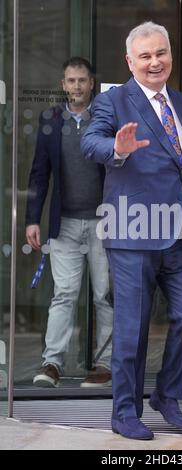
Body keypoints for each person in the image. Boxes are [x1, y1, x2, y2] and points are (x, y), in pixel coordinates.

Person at [81, 22, 182, 440]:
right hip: (132, 231)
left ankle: (167, 395)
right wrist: (116, 150)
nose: (155, 62)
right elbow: (90, 142)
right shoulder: (114, 100)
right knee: (132, 329)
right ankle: (125, 412)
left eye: (161, 53)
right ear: (129, 61)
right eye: (145, 56)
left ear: (170, 54)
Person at [25, 57, 113, 389]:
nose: (76, 86)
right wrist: (33, 219)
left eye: (81, 81)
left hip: (103, 224)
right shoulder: (51, 119)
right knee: (63, 294)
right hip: (63, 224)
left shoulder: (106, 118)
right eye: (70, 81)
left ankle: (103, 364)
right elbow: (39, 173)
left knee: (104, 296)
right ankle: (52, 364)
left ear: (92, 83)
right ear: (63, 84)